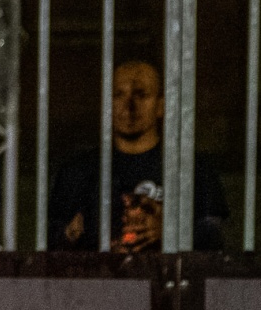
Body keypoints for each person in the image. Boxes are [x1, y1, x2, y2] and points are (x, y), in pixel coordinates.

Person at [50, 59, 228, 252]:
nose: (129, 106)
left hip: (165, 272)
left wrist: (171, 232)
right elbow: (50, 245)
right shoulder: (77, 172)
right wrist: (70, 234)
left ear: (161, 105)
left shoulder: (193, 171)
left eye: (141, 95)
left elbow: (215, 242)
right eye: (118, 95)